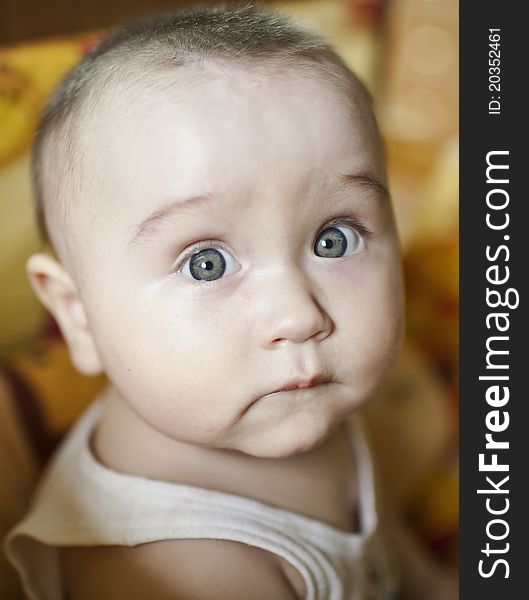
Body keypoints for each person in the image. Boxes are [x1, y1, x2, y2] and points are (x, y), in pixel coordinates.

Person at [5, 4, 423, 598]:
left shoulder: (285, 393)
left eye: (335, 239)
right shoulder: (182, 571)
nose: (300, 316)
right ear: (78, 315)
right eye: (207, 264)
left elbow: (374, 524)